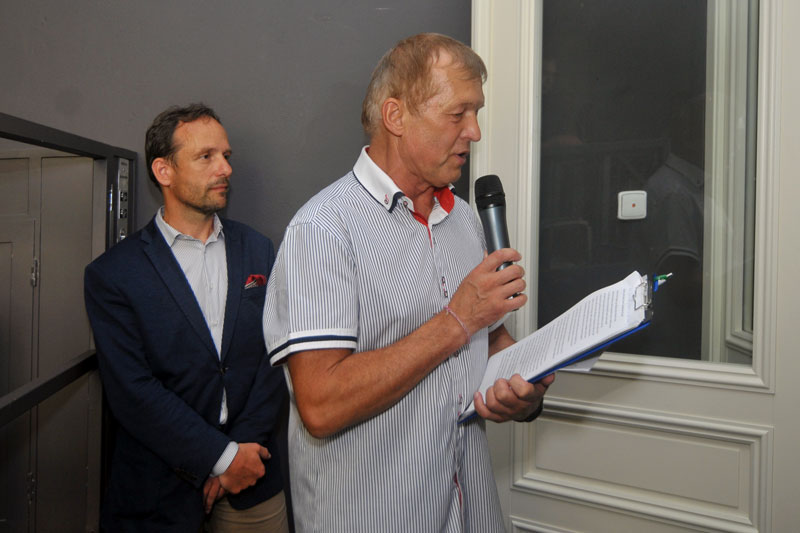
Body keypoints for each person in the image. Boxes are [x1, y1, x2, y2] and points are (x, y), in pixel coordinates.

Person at [263, 33, 554, 532]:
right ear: (395, 117)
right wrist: (457, 320)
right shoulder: (323, 229)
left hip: (472, 513)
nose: (474, 132)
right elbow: (321, 404)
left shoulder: (464, 219)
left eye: (477, 113)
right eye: (458, 114)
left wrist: (524, 390)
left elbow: (488, 338)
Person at [84, 103, 289, 532]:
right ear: (164, 171)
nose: (225, 168)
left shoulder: (258, 249)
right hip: (158, 492)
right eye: (206, 156)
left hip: (254, 477)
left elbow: (275, 355)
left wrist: (242, 452)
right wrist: (221, 458)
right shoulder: (114, 274)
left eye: (226, 156)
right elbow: (132, 391)